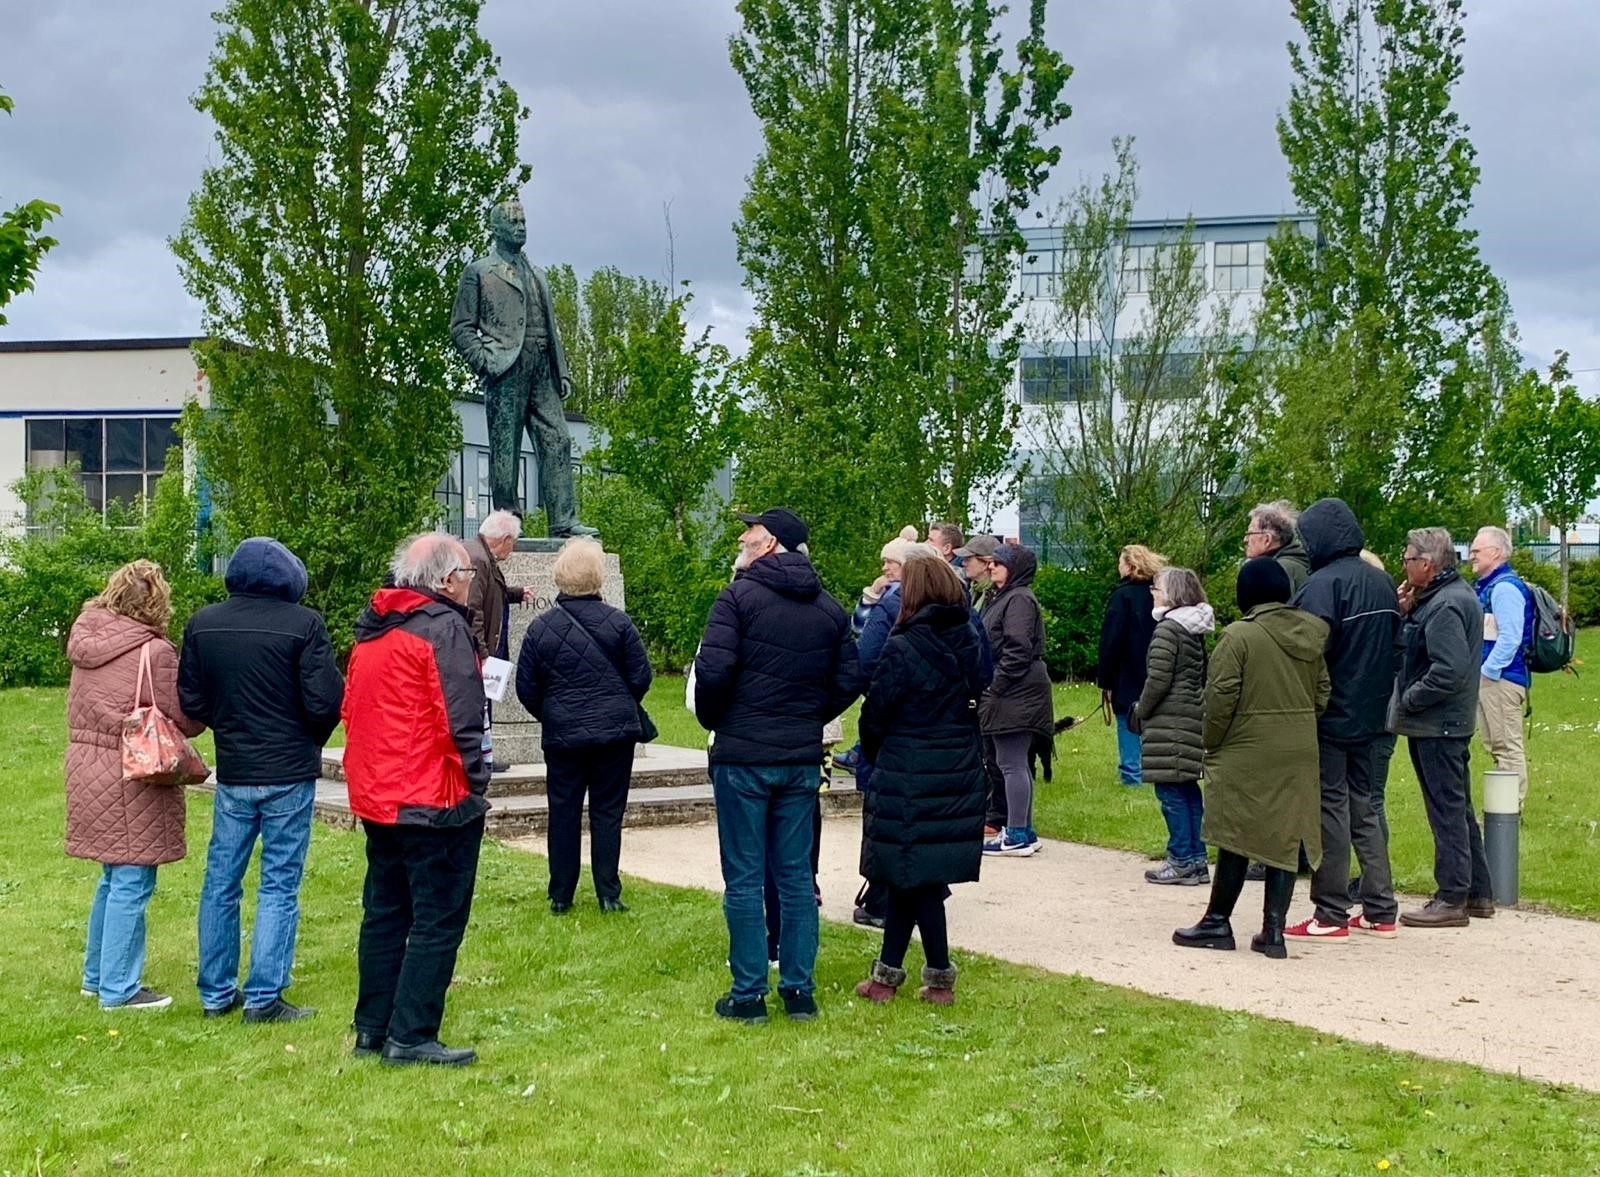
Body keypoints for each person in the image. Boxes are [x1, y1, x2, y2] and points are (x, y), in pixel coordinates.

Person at [694, 507, 862, 1024]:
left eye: (750, 532)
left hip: (745, 755)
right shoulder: (830, 609)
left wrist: (719, 720)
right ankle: (798, 989)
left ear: (769, 544)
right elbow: (850, 677)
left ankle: (748, 994)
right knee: (794, 875)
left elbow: (713, 670)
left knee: (745, 876)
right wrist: (807, 716)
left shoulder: (736, 599)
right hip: (796, 755)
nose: (742, 537)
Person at [179, 537, 343, 1022]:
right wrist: (305, 738)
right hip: (288, 768)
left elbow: (192, 699)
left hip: (236, 767)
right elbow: (324, 701)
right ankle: (264, 996)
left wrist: (229, 723)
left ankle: (215, 993)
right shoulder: (304, 625)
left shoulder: (203, 624)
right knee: (278, 883)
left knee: (221, 881)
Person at [343, 532, 490, 1066]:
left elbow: (352, 710)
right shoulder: (442, 630)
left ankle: (372, 1028)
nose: (471, 584)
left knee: (385, 912)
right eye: (469, 575)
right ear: (448, 580)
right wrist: (477, 781)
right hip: (433, 796)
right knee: (436, 917)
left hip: (381, 794)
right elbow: (461, 717)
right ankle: (411, 1034)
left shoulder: (373, 631)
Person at [66, 561, 206, 1011]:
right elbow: (184, 718)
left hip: (87, 764)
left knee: (112, 876)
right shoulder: (155, 652)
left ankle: (96, 975)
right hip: (134, 771)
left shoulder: (86, 641)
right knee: (132, 880)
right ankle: (119, 989)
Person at [1173, 559, 1329, 959]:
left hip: (1246, 746)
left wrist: (1211, 742)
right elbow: (1323, 693)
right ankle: (1273, 932)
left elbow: (1220, 699)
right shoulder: (1311, 633)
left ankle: (1217, 921)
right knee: (1285, 836)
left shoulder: (1239, 636)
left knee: (1234, 833)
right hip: (1299, 748)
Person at [854, 557, 989, 1005]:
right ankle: (909, 977)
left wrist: (876, 755)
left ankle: (915, 978)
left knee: (912, 876)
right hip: (958, 763)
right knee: (916, 877)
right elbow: (983, 683)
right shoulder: (970, 637)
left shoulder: (903, 645)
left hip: (910, 766)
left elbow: (876, 714)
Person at [1283, 499, 1404, 942]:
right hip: (1373, 714)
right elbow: (1395, 647)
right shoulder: (1382, 582)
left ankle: (1330, 910)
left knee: (1330, 810)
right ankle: (1380, 908)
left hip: (1331, 716)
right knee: (1366, 808)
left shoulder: (1320, 587)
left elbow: (1304, 655)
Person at [516, 536, 652, 914]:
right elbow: (640, 677)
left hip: (564, 736)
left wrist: (554, 712)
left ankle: (561, 894)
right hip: (614, 733)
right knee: (608, 811)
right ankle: (608, 892)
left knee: (563, 811)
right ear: (598, 578)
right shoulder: (619, 623)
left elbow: (527, 687)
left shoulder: (541, 629)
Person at [448, 197, 597, 536]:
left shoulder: (539, 274)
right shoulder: (480, 272)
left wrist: (562, 370)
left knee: (558, 440)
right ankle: (507, 522)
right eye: (513, 222)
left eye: (524, 221)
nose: (520, 227)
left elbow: (551, 326)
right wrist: (486, 362)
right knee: (506, 449)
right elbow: (461, 328)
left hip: (542, 365)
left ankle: (563, 520)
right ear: (495, 227)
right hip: (505, 367)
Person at [1392, 527, 1495, 928]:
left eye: (1407, 558)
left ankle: (1451, 897)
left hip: (1439, 723)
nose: (1404, 564)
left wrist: (1409, 699)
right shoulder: (1441, 598)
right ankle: (1477, 891)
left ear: (1427, 564)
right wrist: (1406, 612)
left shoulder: (1446, 605)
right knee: (1456, 806)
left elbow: (1448, 670)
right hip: (1445, 721)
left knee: (1446, 810)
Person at [1131, 567, 1214, 885]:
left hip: (1169, 718)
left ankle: (1180, 859)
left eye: (1158, 587)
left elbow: (1159, 679)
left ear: (1173, 594)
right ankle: (1196, 859)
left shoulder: (1168, 629)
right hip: (1190, 715)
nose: (1153, 591)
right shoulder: (1192, 629)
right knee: (1188, 791)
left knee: (1171, 793)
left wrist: (1142, 709)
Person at [978, 544, 1054, 857]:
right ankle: (1022, 828)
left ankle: (1018, 832)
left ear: (1016, 568)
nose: (992, 566)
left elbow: (1018, 649)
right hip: (1011, 687)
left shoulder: (1019, 598)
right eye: (992, 561)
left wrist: (994, 685)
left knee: (1011, 762)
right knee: (1009, 761)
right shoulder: (1004, 597)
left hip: (1017, 690)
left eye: (999, 563)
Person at [1470, 526, 1532, 809]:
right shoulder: (1491, 586)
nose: (1471, 555)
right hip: (1495, 677)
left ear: (1495, 553)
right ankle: (1503, 811)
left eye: (1477, 550)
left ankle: (1510, 812)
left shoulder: (1505, 588)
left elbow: (1511, 637)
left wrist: (1488, 670)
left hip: (1502, 679)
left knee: (1506, 745)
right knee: (1496, 744)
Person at [1096, 544, 1165, 788]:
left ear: (1130, 566)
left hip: (1127, 672)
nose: (1118, 566)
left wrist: (1104, 679)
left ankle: (1132, 774)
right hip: (1158, 668)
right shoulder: (1161, 593)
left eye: (1121, 562)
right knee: (1154, 721)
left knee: (1128, 721)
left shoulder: (1121, 597)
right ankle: (1154, 770)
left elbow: (1111, 641)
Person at [465, 509, 527, 773]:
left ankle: (484, 756)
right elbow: (474, 607)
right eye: (513, 542)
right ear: (504, 539)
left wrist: (516, 593)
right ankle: (481, 758)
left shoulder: (480, 555)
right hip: (481, 648)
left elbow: (491, 592)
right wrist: (482, 651)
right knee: (480, 703)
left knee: (485, 702)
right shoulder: (478, 559)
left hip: (484, 645)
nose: (512, 550)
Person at [1244, 500, 1311, 594]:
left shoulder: (1274, 573)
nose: (1245, 540)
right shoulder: (1302, 565)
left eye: (1250, 533)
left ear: (1267, 540)